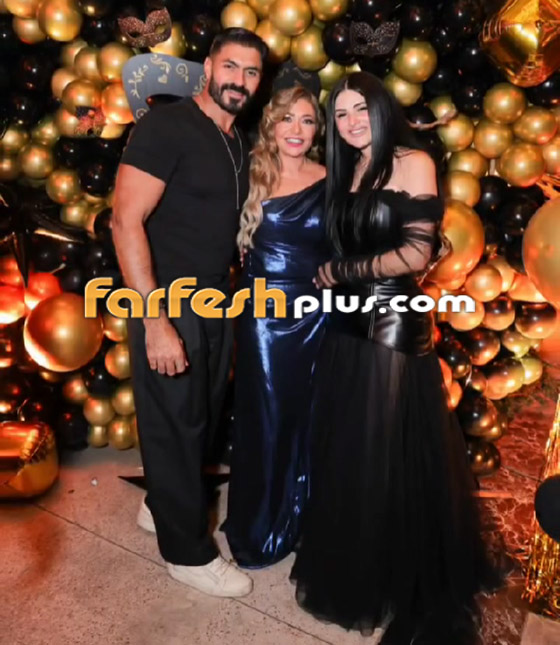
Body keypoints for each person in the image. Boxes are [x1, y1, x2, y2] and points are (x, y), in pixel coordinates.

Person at [289, 72, 505, 644]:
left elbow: (415, 252)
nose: (351, 122)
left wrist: (340, 271)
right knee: (353, 447)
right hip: (343, 320)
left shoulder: (413, 162)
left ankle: (396, 574)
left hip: (391, 320)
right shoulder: (347, 168)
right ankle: (363, 564)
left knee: (386, 451)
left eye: (361, 109)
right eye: (341, 113)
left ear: (383, 109)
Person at [111, 28, 267, 598]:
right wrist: (155, 321)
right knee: (174, 420)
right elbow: (125, 221)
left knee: (200, 417)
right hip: (167, 299)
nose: (239, 81)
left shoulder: (237, 140)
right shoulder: (167, 126)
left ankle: (162, 505)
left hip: (216, 299)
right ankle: (187, 555)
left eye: (251, 72)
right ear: (208, 67)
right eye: (231, 67)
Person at [222, 84, 328, 568]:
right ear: (271, 124)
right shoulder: (250, 172)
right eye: (287, 118)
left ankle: (304, 516)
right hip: (265, 316)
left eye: (307, 120)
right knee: (267, 416)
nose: (296, 129)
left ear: (317, 130)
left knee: (313, 416)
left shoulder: (330, 179)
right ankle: (261, 524)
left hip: (320, 314)